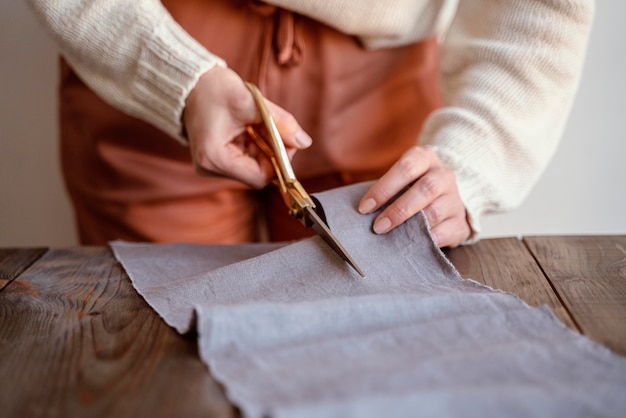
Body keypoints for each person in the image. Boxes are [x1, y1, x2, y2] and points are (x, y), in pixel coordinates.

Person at [24, 0, 594, 248]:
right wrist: (175, 80)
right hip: (150, 63)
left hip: (383, 91)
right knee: (169, 363)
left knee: (377, 360)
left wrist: (475, 160)